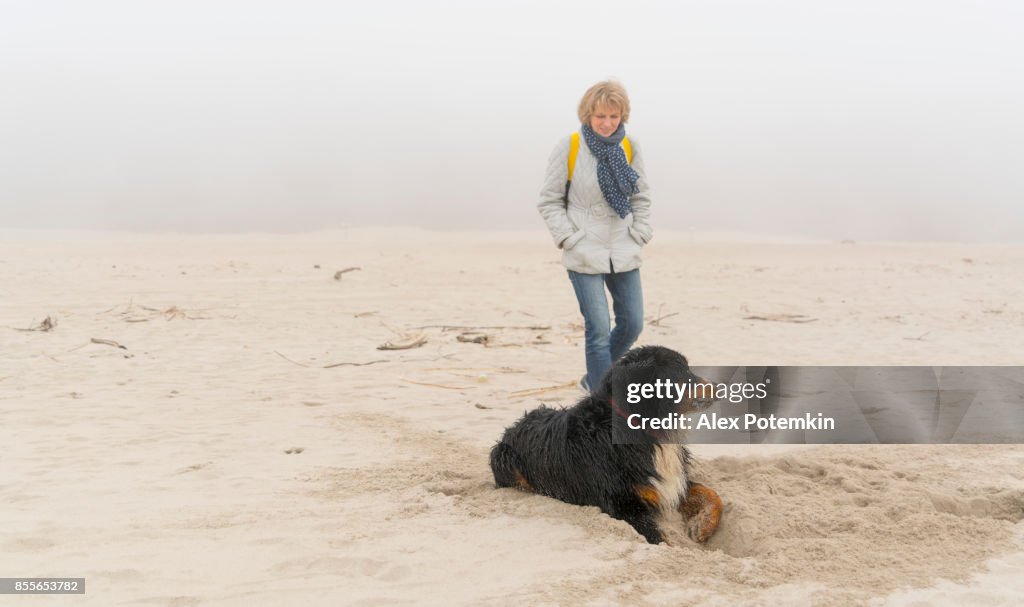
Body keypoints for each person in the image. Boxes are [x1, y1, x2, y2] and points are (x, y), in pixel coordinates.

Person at [537, 80, 652, 392]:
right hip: (584, 251)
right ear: (587, 114)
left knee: (632, 324)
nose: (607, 123)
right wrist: (570, 238)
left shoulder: (629, 146)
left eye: (614, 117)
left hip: (623, 248)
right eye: (600, 116)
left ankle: (594, 379)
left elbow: (641, 196)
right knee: (598, 330)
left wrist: (640, 231)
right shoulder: (570, 146)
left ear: (622, 116)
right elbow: (549, 200)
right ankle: (601, 397)